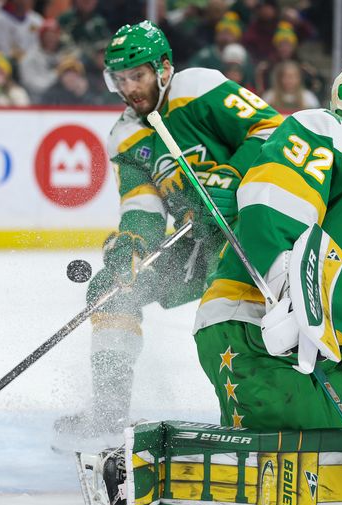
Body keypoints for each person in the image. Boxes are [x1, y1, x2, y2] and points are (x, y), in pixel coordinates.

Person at [76, 55, 342, 505]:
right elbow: (268, 200)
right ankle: (134, 467)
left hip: (314, 349)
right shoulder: (324, 130)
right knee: (306, 466)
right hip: (255, 322)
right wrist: (287, 296)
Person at [52, 20, 283, 444]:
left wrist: (232, 178)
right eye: (120, 80)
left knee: (228, 302)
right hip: (198, 236)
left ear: (163, 68)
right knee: (112, 289)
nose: (129, 89)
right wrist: (132, 245)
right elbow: (142, 205)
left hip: (254, 226)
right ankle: (108, 408)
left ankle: (262, 407)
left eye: (136, 76)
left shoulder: (198, 87)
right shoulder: (126, 134)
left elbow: (272, 130)